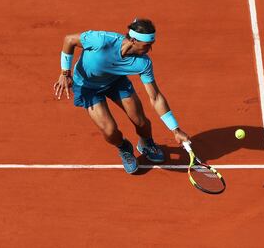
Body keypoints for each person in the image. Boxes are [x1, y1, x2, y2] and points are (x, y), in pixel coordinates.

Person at [53, 18, 190, 174]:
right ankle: (124, 147)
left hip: (115, 82)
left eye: (151, 44)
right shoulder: (101, 40)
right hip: (86, 86)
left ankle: (146, 143)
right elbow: (69, 40)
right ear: (133, 40)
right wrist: (65, 73)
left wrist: (175, 129)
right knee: (110, 131)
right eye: (147, 45)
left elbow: (156, 97)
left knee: (140, 121)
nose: (150, 49)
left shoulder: (144, 63)